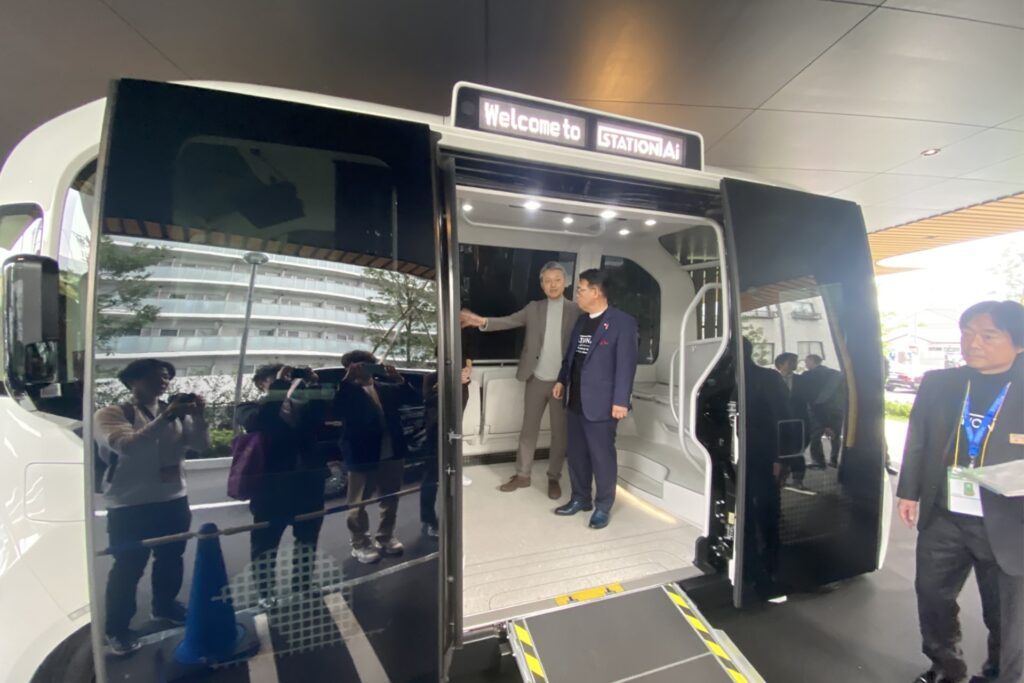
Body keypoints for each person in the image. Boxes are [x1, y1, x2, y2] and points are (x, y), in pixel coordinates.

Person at [897, 300, 1024, 683]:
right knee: (932, 597)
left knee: (1004, 612)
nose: (973, 342)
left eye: (987, 335)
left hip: (1008, 521)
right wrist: (909, 492)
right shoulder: (941, 383)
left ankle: (999, 673)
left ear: (1018, 342)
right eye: (967, 333)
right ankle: (945, 667)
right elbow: (917, 439)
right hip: (945, 514)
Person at [93, 359, 209, 655]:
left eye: (167, 377)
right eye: (156, 376)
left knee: (172, 557)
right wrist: (168, 417)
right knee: (128, 567)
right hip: (129, 504)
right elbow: (127, 446)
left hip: (173, 498)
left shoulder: (173, 414)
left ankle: (165, 606)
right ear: (133, 381)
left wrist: (199, 417)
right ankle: (116, 629)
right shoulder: (111, 413)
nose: (164, 381)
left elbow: (200, 445)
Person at [461, 262, 579, 500]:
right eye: (547, 280)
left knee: (560, 434)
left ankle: (554, 477)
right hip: (535, 378)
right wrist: (481, 321)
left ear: (565, 282)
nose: (552, 285)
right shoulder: (533, 308)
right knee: (528, 430)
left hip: (561, 383)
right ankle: (522, 476)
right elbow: (508, 321)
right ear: (541, 284)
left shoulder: (576, 311)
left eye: (557, 279)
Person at [236, 364, 329, 606]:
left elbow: (325, 414)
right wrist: (278, 386)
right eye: (277, 379)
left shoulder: (305, 404)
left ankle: (303, 584)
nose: (286, 381)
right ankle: (265, 592)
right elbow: (261, 421)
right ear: (260, 385)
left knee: (307, 538)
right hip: (271, 489)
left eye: (288, 377)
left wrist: (313, 384)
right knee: (266, 542)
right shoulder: (249, 408)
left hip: (309, 483)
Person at [552, 269, 638, 529]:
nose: (576, 293)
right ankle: (580, 498)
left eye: (580, 289)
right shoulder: (582, 321)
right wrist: (561, 380)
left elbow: (626, 365)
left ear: (597, 292)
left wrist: (621, 401)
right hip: (575, 399)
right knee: (577, 454)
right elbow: (571, 357)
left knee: (602, 457)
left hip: (603, 403)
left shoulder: (622, 322)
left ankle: (602, 506)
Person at [335, 350, 420, 564]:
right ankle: (359, 543)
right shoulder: (347, 391)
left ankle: (385, 536)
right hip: (362, 455)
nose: (363, 369)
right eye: (356, 366)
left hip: (392, 451)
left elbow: (413, 398)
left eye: (367, 365)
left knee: (390, 498)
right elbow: (336, 408)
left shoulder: (385, 388)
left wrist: (399, 379)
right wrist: (347, 380)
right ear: (348, 368)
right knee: (357, 503)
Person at [743, 340, 791, 600]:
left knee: (764, 514)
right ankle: (758, 571)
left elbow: (782, 417)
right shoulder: (726, 379)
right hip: (747, 455)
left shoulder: (765, 378)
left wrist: (780, 458)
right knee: (755, 516)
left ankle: (767, 572)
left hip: (760, 456)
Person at [421, 361, 472, 538]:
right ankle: (428, 519)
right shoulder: (430, 378)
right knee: (431, 478)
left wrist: (463, 385)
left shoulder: (463, 381)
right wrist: (451, 384)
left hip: (452, 434)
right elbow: (430, 401)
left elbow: (461, 407)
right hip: (434, 433)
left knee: (450, 476)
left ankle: (449, 517)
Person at [801, 353, 846, 469]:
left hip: (818, 409)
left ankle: (819, 461)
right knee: (835, 435)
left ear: (812, 361)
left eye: (806, 361)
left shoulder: (808, 375)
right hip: (837, 410)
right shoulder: (836, 374)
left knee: (815, 436)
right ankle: (834, 460)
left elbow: (809, 395)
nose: (805, 364)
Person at [774, 352, 808, 490]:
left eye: (795, 361)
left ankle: (798, 479)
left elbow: (808, 400)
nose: (794, 364)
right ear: (781, 364)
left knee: (798, 450)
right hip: (779, 422)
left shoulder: (802, 380)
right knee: (781, 449)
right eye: (790, 361)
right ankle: (782, 477)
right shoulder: (772, 380)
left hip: (798, 421)